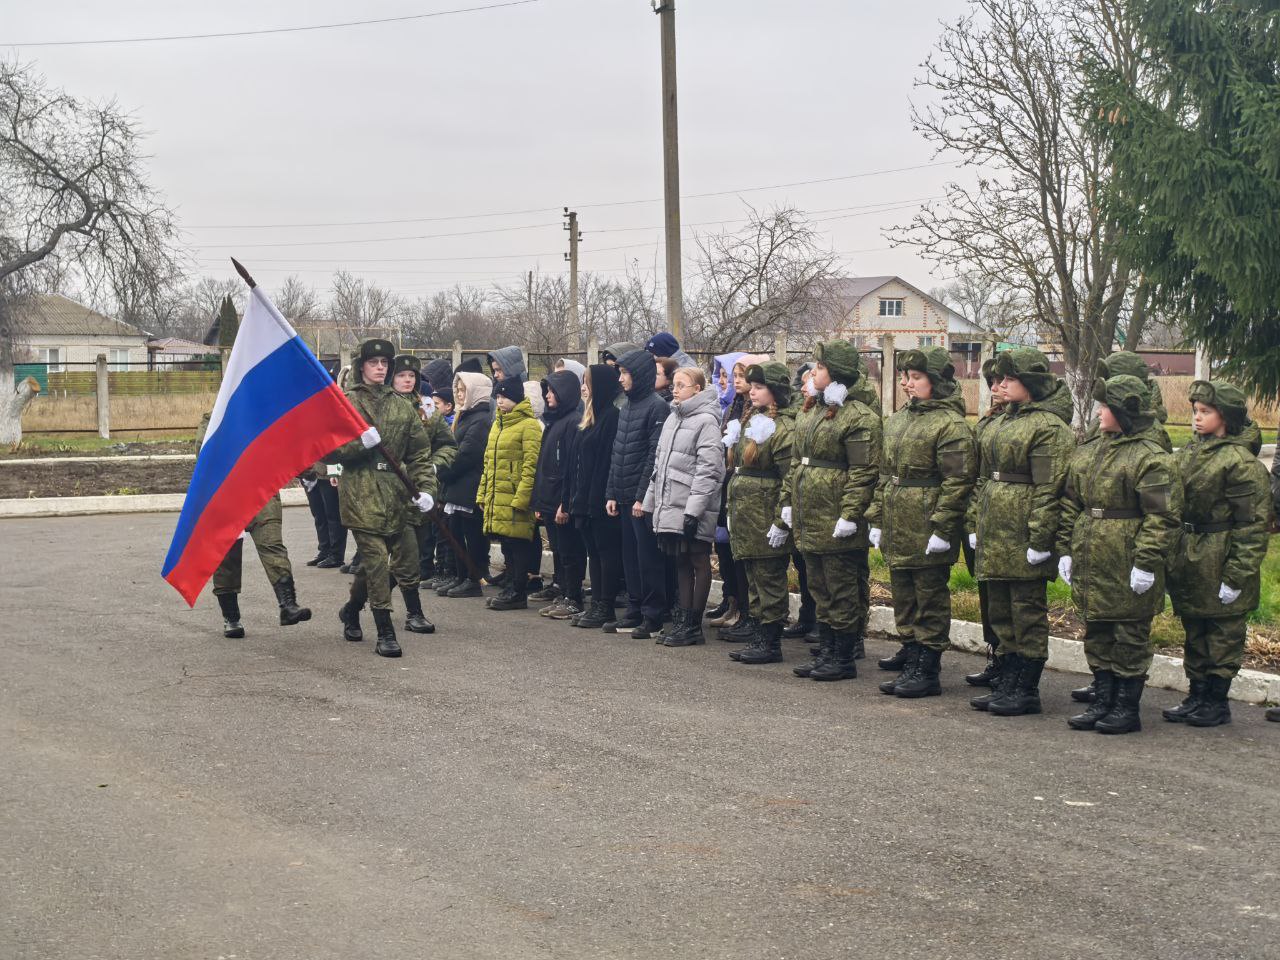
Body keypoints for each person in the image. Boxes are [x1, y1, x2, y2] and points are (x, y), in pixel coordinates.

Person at [1057, 374, 1182, 734]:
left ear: (1124, 411)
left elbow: (1162, 517)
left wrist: (1145, 563)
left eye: (1105, 406)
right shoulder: (1091, 451)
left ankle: (1126, 707)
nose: (1098, 412)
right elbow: (1071, 503)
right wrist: (1065, 548)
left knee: (1129, 635)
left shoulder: (1149, 457)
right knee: (1097, 630)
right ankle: (1103, 700)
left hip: (1126, 555)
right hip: (1093, 553)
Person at [966, 348, 1075, 716]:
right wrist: (975, 523)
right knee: (1000, 610)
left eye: (1010, 379)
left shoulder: (1048, 428)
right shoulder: (998, 422)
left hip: (1024, 532)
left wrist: (1041, 538)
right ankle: (1008, 677)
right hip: (996, 530)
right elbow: (983, 478)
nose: (1001, 385)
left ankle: (1026, 687)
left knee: (1025, 611)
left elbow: (1050, 488)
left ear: (1030, 384)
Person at [1162, 381, 1272, 727]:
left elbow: (1252, 525)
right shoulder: (1193, 452)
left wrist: (1237, 574)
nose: (1196, 418)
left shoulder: (1241, 463)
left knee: (1222, 632)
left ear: (1225, 416)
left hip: (1221, 552)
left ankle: (1216, 700)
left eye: (1205, 412)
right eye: (1195, 411)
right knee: (1195, 628)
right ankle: (1197, 694)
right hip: (1192, 552)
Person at [868, 347, 976, 699]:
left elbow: (957, 481)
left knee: (929, 596)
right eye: (905, 377)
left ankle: (927, 668)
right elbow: (885, 473)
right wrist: (877, 517)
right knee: (904, 593)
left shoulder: (951, 425)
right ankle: (911, 654)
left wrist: (944, 527)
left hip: (927, 521)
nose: (907, 384)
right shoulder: (899, 419)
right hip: (899, 519)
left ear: (936, 382)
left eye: (916, 378)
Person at [329, 339, 438, 658]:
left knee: (405, 560)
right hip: (361, 494)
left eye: (384, 363)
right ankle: (385, 631)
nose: (380, 368)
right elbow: (331, 451)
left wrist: (427, 490)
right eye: (373, 362)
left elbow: (419, 454)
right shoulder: (346, 403)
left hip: (397, 494)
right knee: (375, 562)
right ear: (362, 366)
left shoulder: (402, 405)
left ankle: (351, 609)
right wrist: (359, 443)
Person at [781, 341, 881, 681]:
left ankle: (842, 655)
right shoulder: (810, 411)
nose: (812, 373)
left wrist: (850, 514)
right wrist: (788, 504)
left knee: (841, 589)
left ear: (836, 373)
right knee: (819, 587)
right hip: (810, 514)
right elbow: (797, 463)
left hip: (836, 514)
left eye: (820, 368)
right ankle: (826, 649)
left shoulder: (859, 417)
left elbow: (863, 472)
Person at [197, 412, 311, 638]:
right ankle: (231, 618)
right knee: (226, 557)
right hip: (227, 494)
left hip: (261, 490)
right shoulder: (213, 419)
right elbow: (204, 455)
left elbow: (284, 449)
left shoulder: (264, 414)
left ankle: (288, 606)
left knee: (273, 546)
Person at [642, 366, 725, 646]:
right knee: (680, 561)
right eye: (674, 385)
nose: (675, 390)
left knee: (698, 560)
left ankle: (693, 624)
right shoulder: (672, 418)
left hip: (692, 506)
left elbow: (709, 470)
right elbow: (659, 466)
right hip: (671, 503)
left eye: (682, 385)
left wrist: (693, 511)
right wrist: (651, 501)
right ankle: (681, 619)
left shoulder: (706, 421)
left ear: (697, 390)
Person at [723, 362, 795, 664]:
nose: (752, 391)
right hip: (745, 513)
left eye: (759, 387)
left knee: (769, 578)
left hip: (766, 515)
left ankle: (770, 640)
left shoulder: (784, 428)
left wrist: (782, 520)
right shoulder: (752, 420)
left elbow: (789, 477)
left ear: (774, 391)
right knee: (753, 577)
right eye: (751, 386)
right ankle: (757, 631)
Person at [605, 349, 671, 638]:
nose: (620, 379)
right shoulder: (627, 407)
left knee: (648, 559)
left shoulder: (657, 407)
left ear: (639, 375)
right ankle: (634, 608)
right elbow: (617, 452)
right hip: (622, 494)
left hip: (640, 499)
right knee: (629, 557)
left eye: (625, 373)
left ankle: (653, 614)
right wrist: (611, 492)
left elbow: (653, 455)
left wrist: (642, 496)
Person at [390, 356, 458, 600]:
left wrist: (433, 467)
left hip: (418, 491)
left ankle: (381, 601)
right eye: (401, 375)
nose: (408, 380)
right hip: (385, 491)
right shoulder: (381, 406)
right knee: (383, 555)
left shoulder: (427, 409)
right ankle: (362, 601)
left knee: (410, 553)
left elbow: (448, 446)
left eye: (412, 376)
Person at [716, 354, 772, 644]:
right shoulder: (740, 410)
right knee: (739, 559)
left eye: (745, 377)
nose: (739, 384)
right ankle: (745, 613)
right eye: (732, 376)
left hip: (762, 502)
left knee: (761, 570)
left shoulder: (769, 420)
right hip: (738, 494)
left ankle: (761, 625)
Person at [565, 364, 624, 629]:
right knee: (594, 554)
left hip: (599, 500)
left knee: (606, 553)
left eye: (587, 382)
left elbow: (604, 464)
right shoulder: (590, 418)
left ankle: (605, 605)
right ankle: (596, 603)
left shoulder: (611, 417)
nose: (584, 388)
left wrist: (594, 500)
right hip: (584, 499)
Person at [479, 377, 542, 610]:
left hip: (515, 496)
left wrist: (522, 498)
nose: (500, 401)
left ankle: (518, 590)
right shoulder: (498, 424)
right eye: (497, 397)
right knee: (506, 543)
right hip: (498, 495)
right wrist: (482, 494)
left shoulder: (529, 425)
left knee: (518, 544)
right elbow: (489, 463)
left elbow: (531, 465)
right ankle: (510, 586)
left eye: (504, 397)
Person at [962, 357, 1006, 686]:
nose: (995, 388)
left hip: (1007, 522)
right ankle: (994, 656)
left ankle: (1009, 662)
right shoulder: (987, 423)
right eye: (991, 382)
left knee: (1009, 601)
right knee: (987, 595)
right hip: (982, 516)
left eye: (1001, 381)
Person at [532, 369, 586, 619]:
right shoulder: (553, 422)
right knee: (559, 550)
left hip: (562, 502)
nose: (548, 395)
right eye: (547, 391)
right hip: (549, 500)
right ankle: (563, 593)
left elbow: (568, 467)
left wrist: (565, 504)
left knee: (570, 552)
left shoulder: (573, 423)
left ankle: (574, 597)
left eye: (553, 391)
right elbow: (544, 464)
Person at [436, 370, 494, 598]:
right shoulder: (465, 415)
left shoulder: (480, 419)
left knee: (472, 537)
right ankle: (461, 577)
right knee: (455, 533)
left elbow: (467, 454)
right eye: (457, 390)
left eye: (464, 390)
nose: (459, 395)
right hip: (457, 485)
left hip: (469, 486)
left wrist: (442, 470)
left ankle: (473, 578)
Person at [706, 352, 747, 629]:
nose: (727, 381)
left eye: (734, 376)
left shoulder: (746, 408)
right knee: (723, 549)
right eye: (725, 376)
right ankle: (730, 600)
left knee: (736, 552)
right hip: (724, 484)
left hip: (738, 486)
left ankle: (741, 608)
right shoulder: (729, 406)